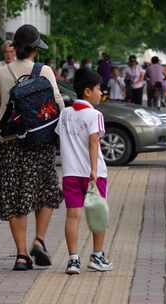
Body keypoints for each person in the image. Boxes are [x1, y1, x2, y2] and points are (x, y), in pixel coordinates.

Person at [0, 24, 64, 271]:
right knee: (47, 193)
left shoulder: (1, 72)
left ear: (15, 48)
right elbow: (58, 104)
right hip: (41, 142)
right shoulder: (45, 71)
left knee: (16, 198)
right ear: (34, 50)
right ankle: (39, 240)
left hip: (10, 144)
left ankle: (21, 255)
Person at [55, 68, 113, 275]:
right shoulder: (95, 115)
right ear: (88, 91)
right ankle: (97, 256)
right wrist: (94, 170)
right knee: (97, 216)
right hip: (93, 175)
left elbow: (60, 138)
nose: (101, 92)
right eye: (99, 89)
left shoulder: (65, 114)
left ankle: (73, 260)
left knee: (73, 216)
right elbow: (93, 141)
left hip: (70, 173)